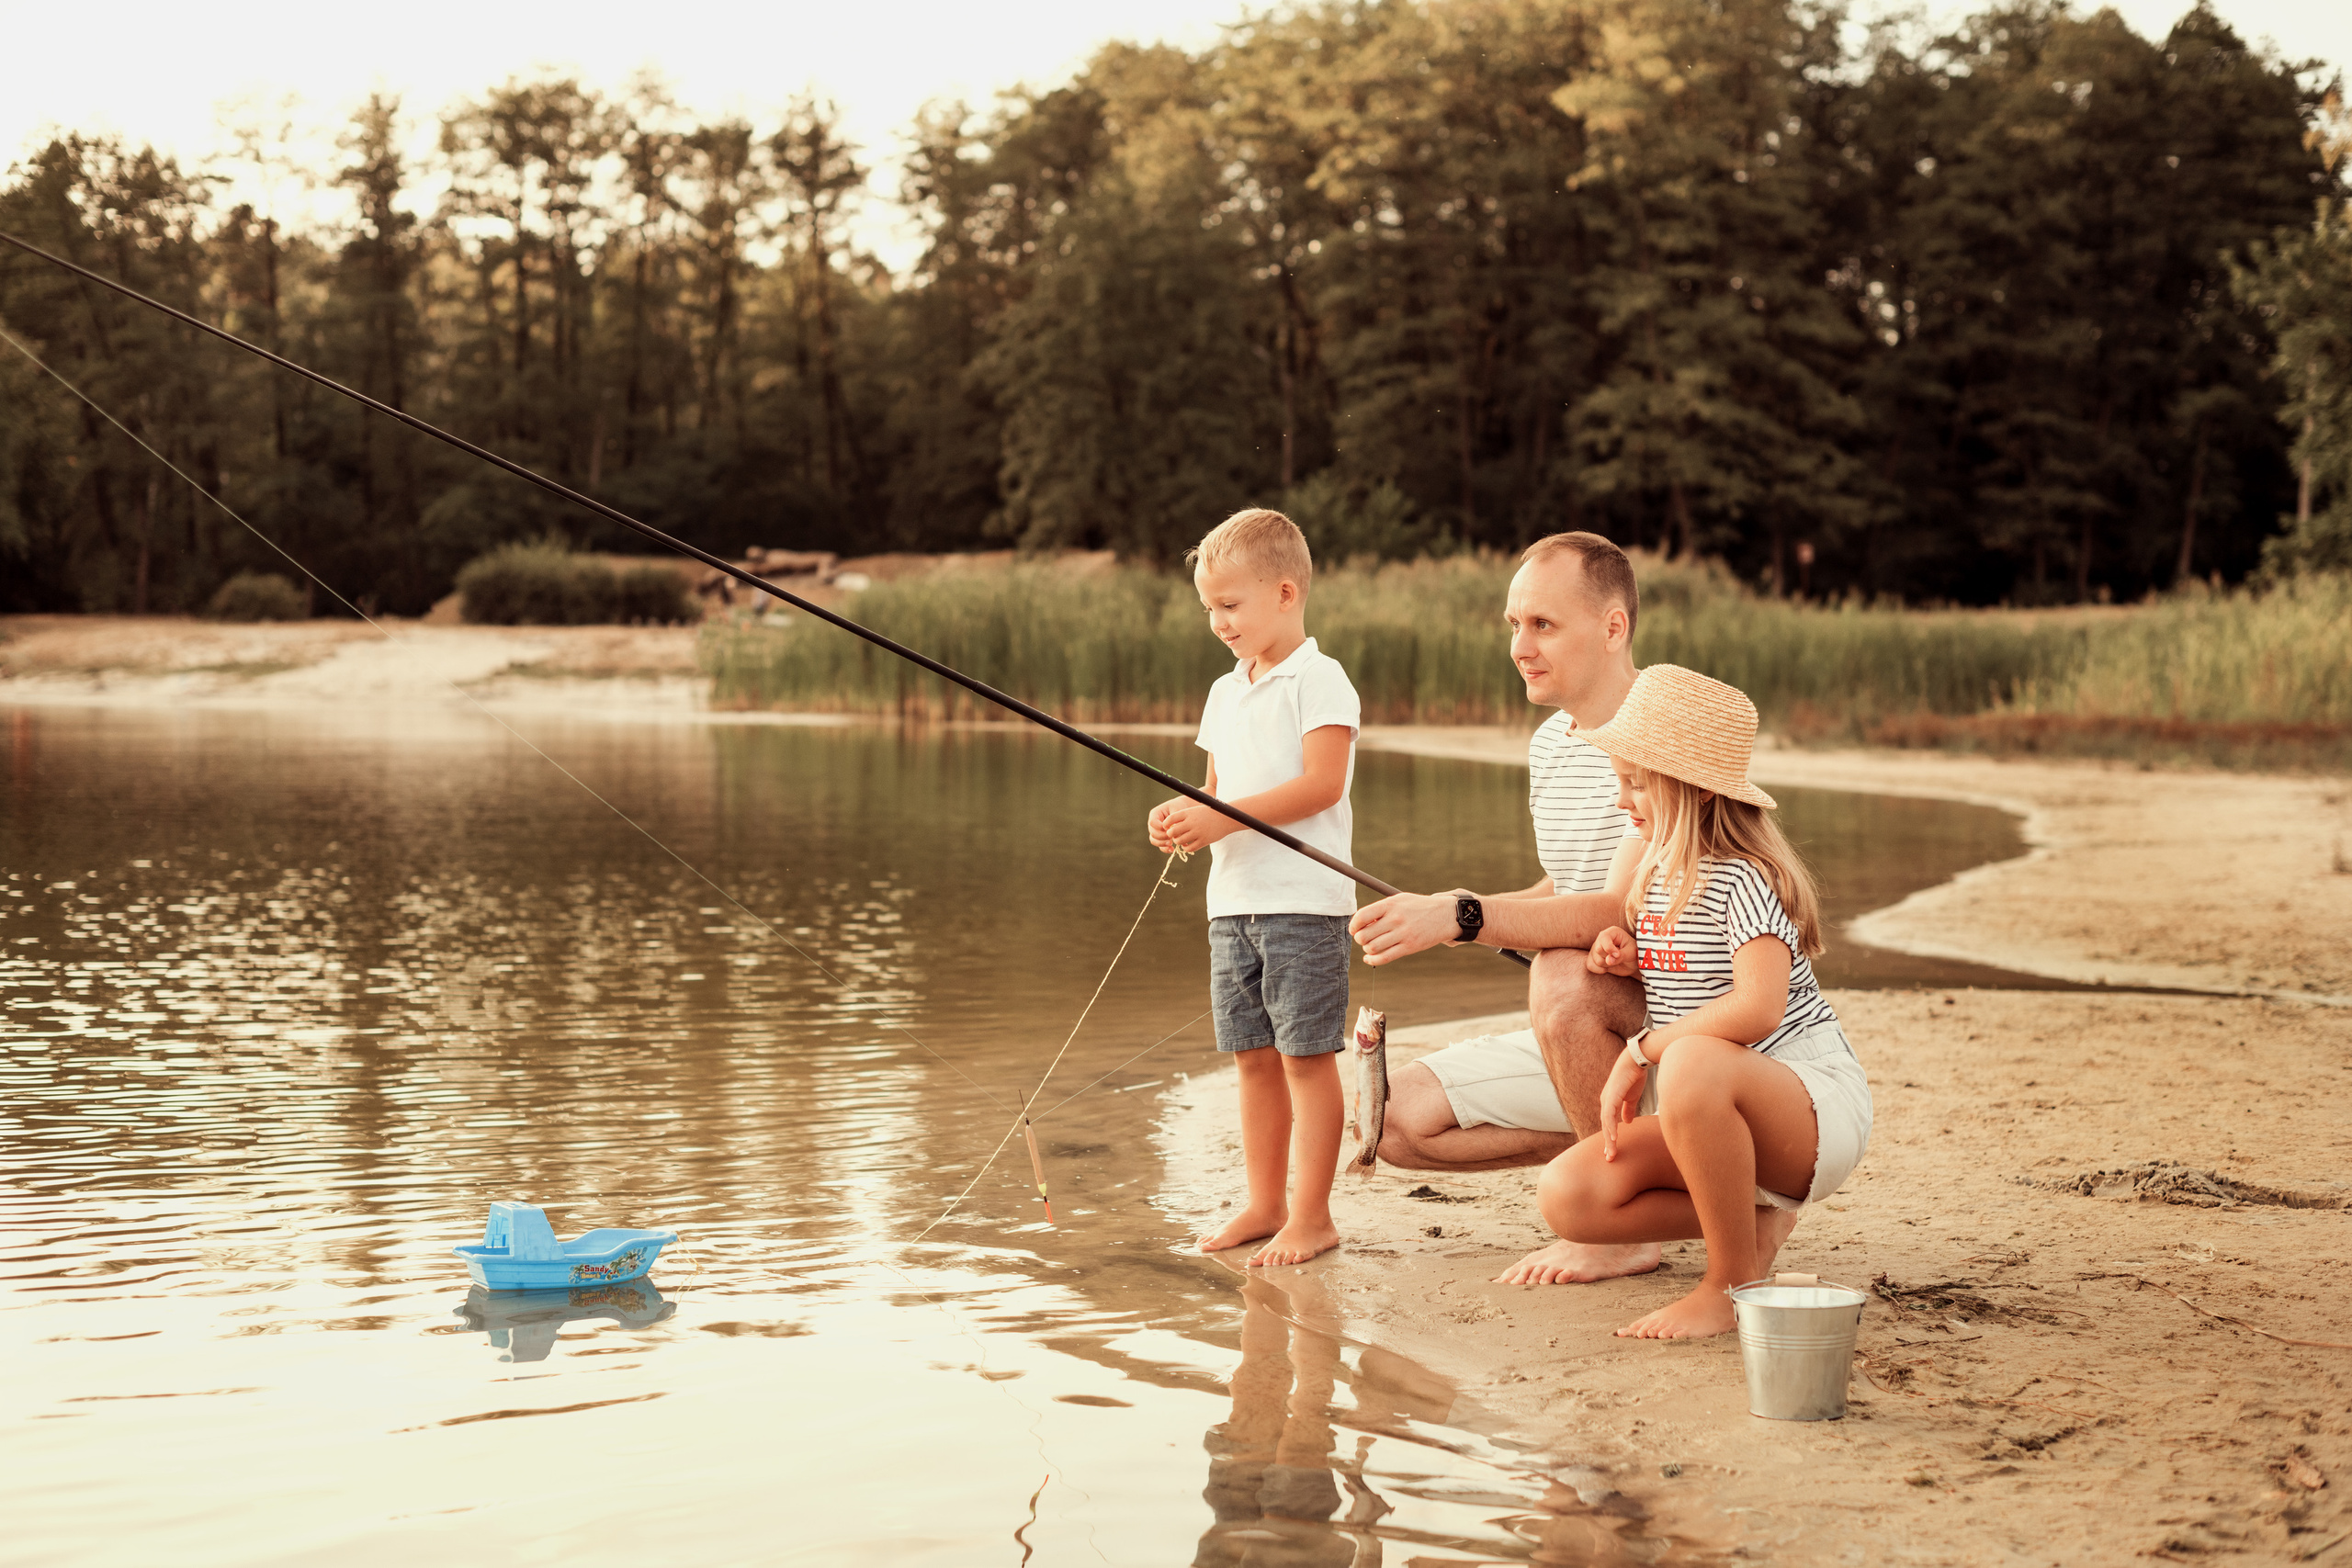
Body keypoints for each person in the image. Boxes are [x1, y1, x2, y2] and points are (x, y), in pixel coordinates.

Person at [1346, 532, 1659, 1286]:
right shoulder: (1551, 743)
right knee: (1390, 1120)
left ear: (1613, 628)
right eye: (1513, 624)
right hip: (1596, 1043)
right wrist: (1449, 917)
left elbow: (1617, 907)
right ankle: (1634, 1152)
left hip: (1679, 1031)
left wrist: (1468, 914)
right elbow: (1566, 885)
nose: (1520, 646)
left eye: (1543, 624)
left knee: (1558, 976)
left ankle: (1616, 1225)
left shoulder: (1662, 729)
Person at [1551, 664, 1873, 1338]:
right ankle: (1752, 1223)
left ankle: (1729, 1286)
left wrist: (1639, 1050)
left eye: (1636, 783)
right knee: (1570, 1195)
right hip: (1723, 1116)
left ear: (1693, 789)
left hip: (1812, 1109)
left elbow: (1758, 1008)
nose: (1621, 801)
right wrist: (1633, 956)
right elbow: (1695, 977)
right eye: (1619, 781)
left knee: (1692, 1059)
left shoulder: (1746, 877)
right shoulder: (1657, 875)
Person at [1149, 508, 1362, 1268]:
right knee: (1251, 1056)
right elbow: (1217, 790)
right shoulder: (1222, 691)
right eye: (1209, 608)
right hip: (1231, 905)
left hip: (1303, 904)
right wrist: (1184, 817)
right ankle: (1265, 1201)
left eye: (1230, 606)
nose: (1218, 622)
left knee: (1307, 1057)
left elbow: (1320, 784)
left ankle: (1313, 1214)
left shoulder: (1320, 677)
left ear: (1284, 592)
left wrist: (1219, 814)